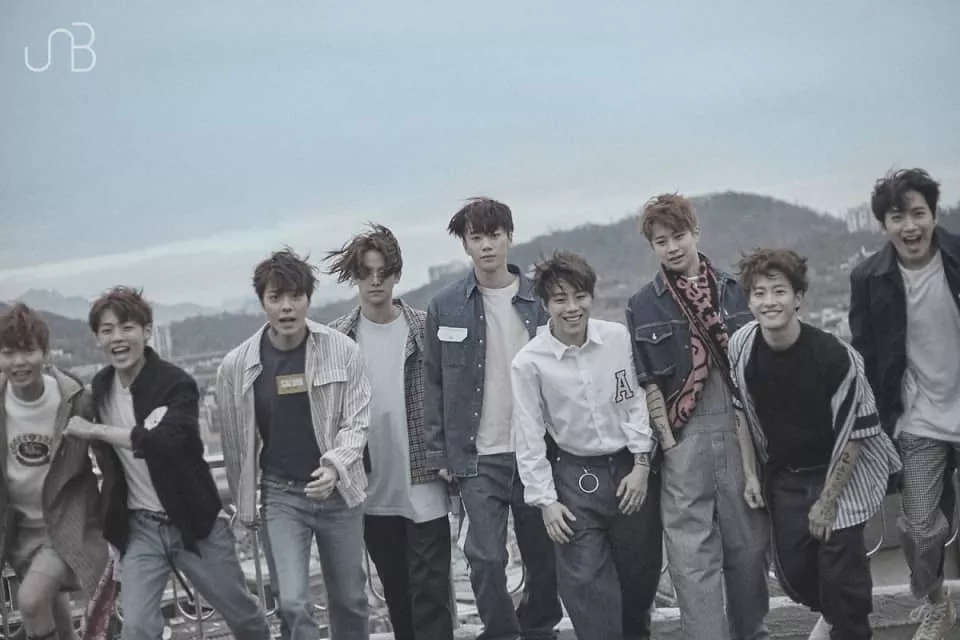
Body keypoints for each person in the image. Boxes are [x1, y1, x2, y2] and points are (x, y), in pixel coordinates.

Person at [63, 287, 270, 640]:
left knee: (244, 617)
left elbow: (165, 442)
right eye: (107, 330)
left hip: (195, 522)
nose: (117, 337)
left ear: (147, 331)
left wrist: (95, 429)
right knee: (138, 627)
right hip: (140, 527)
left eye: (127, 327)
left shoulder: (176, 384)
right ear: (98, 338)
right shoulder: (99, 389)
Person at [729, 249, 901, 640]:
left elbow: (857, 433)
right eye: (759, 293)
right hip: (785, 478)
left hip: (840, 474)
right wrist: (750, 474)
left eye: (779, 291)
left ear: (798, 298)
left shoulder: (834, 355)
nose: (769, 302)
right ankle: (835, 618)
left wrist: (828, 501)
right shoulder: (743, 346)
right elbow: (740, 411)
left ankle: (849, 625)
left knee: (844, 577)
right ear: (749, 301)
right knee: (794, 573)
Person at [625, 193, 770, 640]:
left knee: (749, 552)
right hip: (683, 439)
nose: (672, 247)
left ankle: (752, 632)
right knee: (691, 561)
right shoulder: (643, 304)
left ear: (695, 232)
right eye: (661, 241)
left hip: (738, 433)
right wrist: (670, 445)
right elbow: (648, 382)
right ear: (652, 246)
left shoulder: (735, 291)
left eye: (679, 236)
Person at [422, 198, 562, 640]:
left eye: (494, 235)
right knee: (484, 556)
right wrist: (439, 452)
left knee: (544, 554)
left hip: (536, 449)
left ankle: (538, 628)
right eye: (476, 237)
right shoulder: (445, 306)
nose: (486, 245)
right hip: (478, 456)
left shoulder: (540, 300)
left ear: (509, 237)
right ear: (465, 244)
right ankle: (502, 632)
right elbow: (432, 382)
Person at [217, 248, 371, 640]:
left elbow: (357, 422)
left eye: (295, 296)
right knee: (292, 602)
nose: (287, 307)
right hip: (282, 494)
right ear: (263, 302)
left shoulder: (342, 349)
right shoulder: (237, 365)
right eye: (276, 297)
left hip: (338, 494)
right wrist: (244, 502)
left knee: (351, 599)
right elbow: (235, 443)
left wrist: (335, 466)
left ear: (308, 299)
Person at [510, 251, 655, 640]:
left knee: (638, 583)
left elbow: (634, 402)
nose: (572, 308)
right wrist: (546, 501)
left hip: (628, 471)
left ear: (591, 296)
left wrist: (642, 465)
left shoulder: (616, 338)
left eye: (580, 296)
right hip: (575, 478)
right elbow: (528, 435)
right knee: (587, 588)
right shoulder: (529, 362)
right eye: (560, 299)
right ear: (545, 305)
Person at [326, 224, 454, 640]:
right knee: (398, 595)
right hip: (372, 488)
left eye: (383, 272)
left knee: (432, 594)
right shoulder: (338, 338)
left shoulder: (424, 328)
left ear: (397, 274)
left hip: (425, 479)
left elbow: (447, 394)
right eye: (366, 273)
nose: (375, 281)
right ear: (355, 277)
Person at [849, 168, 960, 639]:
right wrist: (878, 422)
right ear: (884, 225)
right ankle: (937, 603)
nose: (910, 226)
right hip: (917, 419)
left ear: (934, 214)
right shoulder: (868, 277)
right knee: (917, 528)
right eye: (898, 217)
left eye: (918, 213)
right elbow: (867, 357)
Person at [0, 304, 108, 640]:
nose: (19, 362)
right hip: (18, 530)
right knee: (53, 612)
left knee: (31, 601)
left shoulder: (73, 398)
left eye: (28, 351)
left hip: (64, 525)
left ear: (46, 354)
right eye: (8, 353)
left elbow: (107, 456)